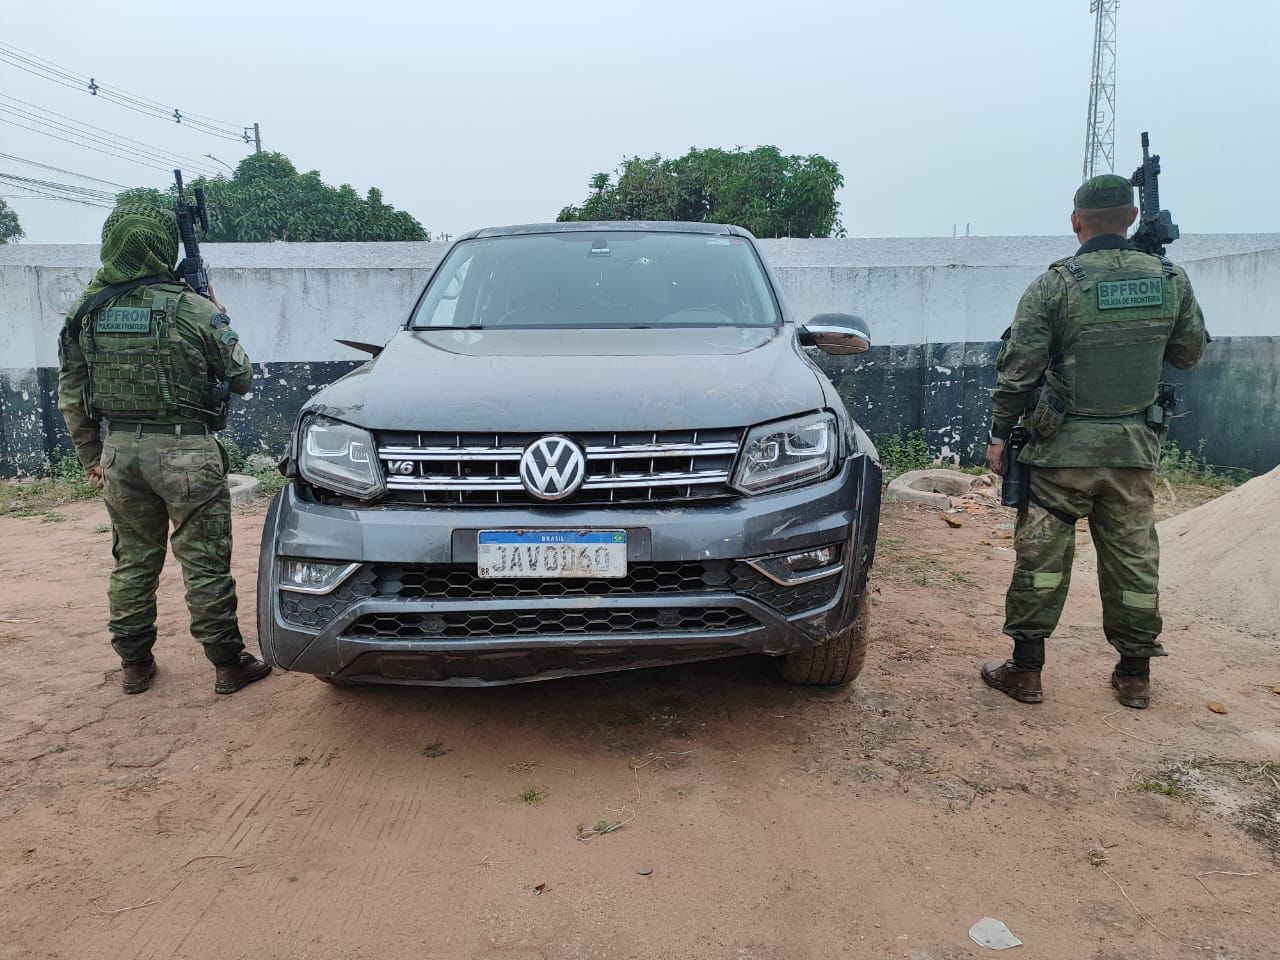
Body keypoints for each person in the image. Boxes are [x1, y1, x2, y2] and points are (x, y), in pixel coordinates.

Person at [981, 174, 1209, 710]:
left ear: (1076, 221)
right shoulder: (1171, 280)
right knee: (1132, 559)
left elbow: (1019, 371)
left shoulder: (1056, 285)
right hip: (1132, 453)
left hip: (1060, 455)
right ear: (1131, 218)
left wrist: (997, 436)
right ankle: (1134, 676)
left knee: (1041, 558)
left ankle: (1026, 672)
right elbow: (1188, 354)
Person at [57, 201, 271, 696]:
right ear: (162, 245)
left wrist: (92, 457)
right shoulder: (192, 308)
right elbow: (241, 377)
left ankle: (134, 665)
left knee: (132, 560)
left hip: (121, 452)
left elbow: (72, 393)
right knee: (204, 560)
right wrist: (220, 316)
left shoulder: (86, 312)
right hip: (187, 453)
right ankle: (227, 664)